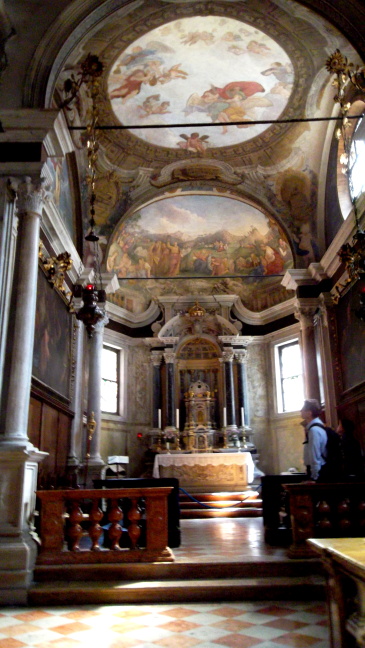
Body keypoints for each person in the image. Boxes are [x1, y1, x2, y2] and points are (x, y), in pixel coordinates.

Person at [300, 399, 327, 481]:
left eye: (303, 409)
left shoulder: (314, 430)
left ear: (309, 413)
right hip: (318, 470)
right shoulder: (316, 427)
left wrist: (314, 477)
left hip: (318, 472)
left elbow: (314, 455)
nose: (300, 411)